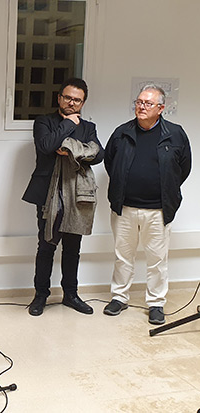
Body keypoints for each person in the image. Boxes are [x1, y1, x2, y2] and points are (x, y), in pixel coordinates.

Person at [103, 84, 191, 325]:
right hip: (125, 208)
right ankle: (119, 298)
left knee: (157, 261)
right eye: (139, 102)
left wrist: (165, 190)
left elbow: (183, 168)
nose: (141, 106)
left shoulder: (175, 134)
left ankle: (156, 304)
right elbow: (110, 162)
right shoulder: (122, 132)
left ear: (161, 108)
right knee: (123, 257)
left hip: (159, 210)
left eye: (147, 103)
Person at [22, 78, 104, 317]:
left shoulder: (89, 127)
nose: (71, 102)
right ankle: (40, 295)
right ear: (59, 98)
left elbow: (98, 154)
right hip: (48, 193)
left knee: (72, 248)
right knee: (46, 246)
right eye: (67, 97)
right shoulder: (44, 121)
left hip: (78, 194)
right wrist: (68, 125)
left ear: (83, 102)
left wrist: (69, 148)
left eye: (77, 100)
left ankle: (71, 294)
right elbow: (47, 145)